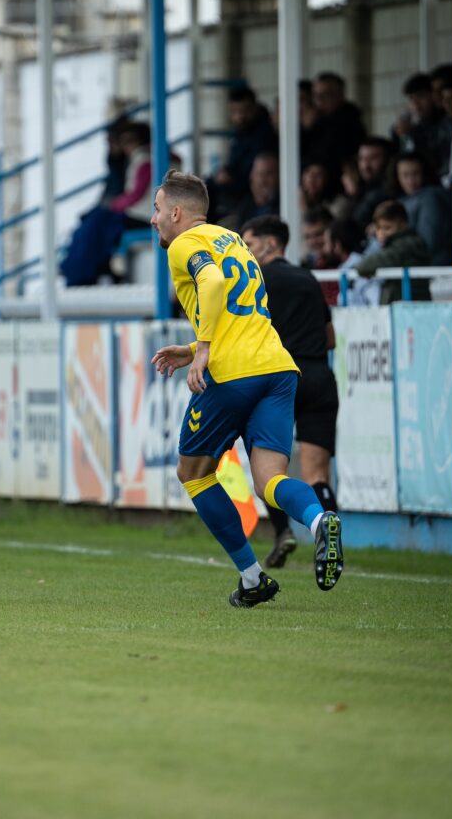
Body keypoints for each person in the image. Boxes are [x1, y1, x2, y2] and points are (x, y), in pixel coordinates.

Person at [150, 169, 344, 609]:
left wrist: (202, 350)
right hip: (277, 366)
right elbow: (235, 305)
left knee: (193, 474)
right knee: (271, 479)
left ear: (177, 212)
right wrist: (191, 346)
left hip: (231, 371)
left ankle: (252, 577)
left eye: (158, 209)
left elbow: (214, 285)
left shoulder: (183, 245)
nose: (153, 219)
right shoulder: (232, 239)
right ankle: (318, 521)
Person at [242, 215, 339, 569]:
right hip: (319, 376)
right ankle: (327, 539)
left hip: (279, 378)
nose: (244, 251)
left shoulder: (256, 281)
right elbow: (330, 338)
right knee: (317, 474)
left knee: (268, 471)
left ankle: (282, 531)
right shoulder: (309, 278)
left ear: (270, 244)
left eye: (249, 244)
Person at [61, 122, 152, 286]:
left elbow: (135, 194)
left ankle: (80, 273)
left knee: (95, 227)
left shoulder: (145, 160)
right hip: (137, 213)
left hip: (142, 216)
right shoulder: (141, 159)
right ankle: (80, 270)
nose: (125, 147)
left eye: (128, 141)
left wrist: (114, 205)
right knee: (92, 226)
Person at [206, 85, 277, 223]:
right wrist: (225, 172)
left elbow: (252, 171)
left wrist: (230, 176)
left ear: (254, 108)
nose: (240, 116)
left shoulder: (264, 133)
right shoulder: (241, 131)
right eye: (235, 111)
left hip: (248, 189)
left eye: (244, 111)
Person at [385, 151, 452, 266]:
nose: (411, 181)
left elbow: (428, 242)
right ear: (396, 176)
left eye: (416, 173)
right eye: (405, 175)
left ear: (425, 173)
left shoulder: (430, 199)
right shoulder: (403, 200)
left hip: (431, 269)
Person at [356, 200, 431, 304]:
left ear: (403, 225)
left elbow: (363, 266)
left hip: (409, 310)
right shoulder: (405, 243)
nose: (382, 233)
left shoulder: (405, 246)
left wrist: (379, 245)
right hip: (406, 309)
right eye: (379, 228)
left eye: (387, 228)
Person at [301, 71, 366, 179]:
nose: (319, 100)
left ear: (340, 95)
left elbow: (325, 156)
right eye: (316, 95)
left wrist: (309, 130)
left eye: (326, 94)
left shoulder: (348, 122)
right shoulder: (314, 121)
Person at [390, 72, 450, 173]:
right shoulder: (415, 125)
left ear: (434, 95)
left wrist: (412, 134)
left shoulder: (445, 122)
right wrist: (398, 135)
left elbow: (433, 160)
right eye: (411, 98)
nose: (415, 103)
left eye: (421, 96)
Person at [324, 217, 381, 307]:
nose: (324, 249)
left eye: (326, 243)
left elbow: (375, 301)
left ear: (337, 246)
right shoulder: (346, 268)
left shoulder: (363, 267)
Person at [225, 151, 279, 230]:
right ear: (251, 176)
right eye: (259, 174)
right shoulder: (244, 206)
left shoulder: (284, 204)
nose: (262, 180)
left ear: (278, 176)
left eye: (268, 173)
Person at [350, 136, 394, 231]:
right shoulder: (361, 185)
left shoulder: (387, 189)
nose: (365, 166)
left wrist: (355, 195)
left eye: (373, 158)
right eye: (361, 159)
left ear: (388, 159)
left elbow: (355, 225)